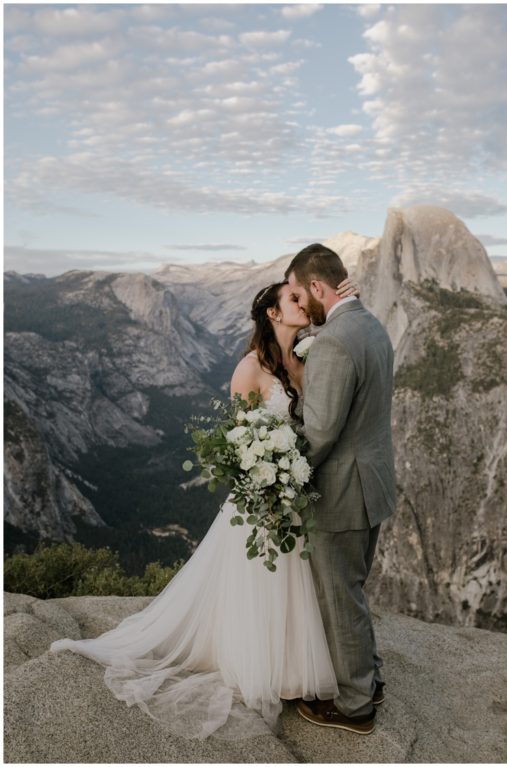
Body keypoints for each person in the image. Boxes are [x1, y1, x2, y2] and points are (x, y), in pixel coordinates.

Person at [50, 278, 361, 740]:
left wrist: (349, 302)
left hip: (297, 491)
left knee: (298, 580)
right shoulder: (249, 369)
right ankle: (263, 666)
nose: (304, 303)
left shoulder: (308, 356)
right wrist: (268, 478)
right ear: (272, 314)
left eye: (305, 297)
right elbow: (241, 444)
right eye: (294, 299)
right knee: (266, 579)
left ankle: (294, 665)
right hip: (264, 494)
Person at [285, 244, 397, 736]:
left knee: (339, 596)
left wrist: (285, 480)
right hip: (371, 483)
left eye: (297, 292)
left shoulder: (332, 341)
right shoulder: (372, 325)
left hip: (340, 492)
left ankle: (354, 705)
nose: (297, 303)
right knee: (351, 587)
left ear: (316, 288)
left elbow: (321, 431)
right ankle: (368, 680)